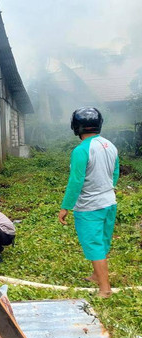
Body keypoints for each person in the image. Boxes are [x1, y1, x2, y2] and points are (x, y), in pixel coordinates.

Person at [58, 107, 119, 299]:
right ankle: (96, 275)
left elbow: (76, 181)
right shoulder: (110, 145)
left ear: (76, 127)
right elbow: (115, 173)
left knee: (93, 245)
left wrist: (65, 206)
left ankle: (105, 289)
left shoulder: (81, 150)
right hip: (109, 202)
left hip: (89, 207)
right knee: (102, 241)